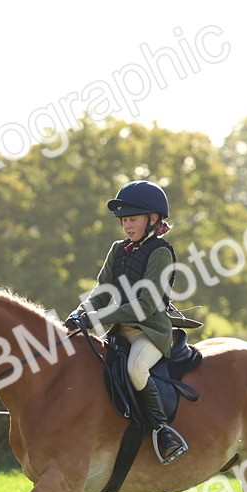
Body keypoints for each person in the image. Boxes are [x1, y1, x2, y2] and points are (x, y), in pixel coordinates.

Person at [64, 180, 189, 464]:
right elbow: (102, 289)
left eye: (132, 219)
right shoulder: (118, 249)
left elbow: (146, 305)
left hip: (150, 332)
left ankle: (162, 430)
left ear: (153, 219)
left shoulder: (161, 252)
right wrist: (79, 313)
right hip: (119, 330)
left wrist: (97, 317)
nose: (127, 226)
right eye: (123, 220)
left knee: (135, 368)